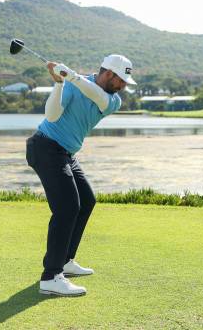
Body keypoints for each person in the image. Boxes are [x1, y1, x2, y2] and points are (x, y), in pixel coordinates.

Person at [25, 54, 136, 296]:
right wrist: (59, 83)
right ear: (109, 74)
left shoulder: (112, 100)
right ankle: (51, 276)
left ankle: (65, 261)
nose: (124, 86)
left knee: (86, 202)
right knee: (67, 208)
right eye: (122, 80)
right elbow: (51, 116)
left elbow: (96, 95)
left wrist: (72, 77)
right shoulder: (72, 85)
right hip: (45, 147)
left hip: (65, 153)